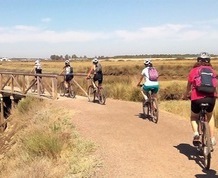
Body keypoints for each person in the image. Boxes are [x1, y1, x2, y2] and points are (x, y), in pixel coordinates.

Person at [183, 52, 216, 147]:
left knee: (193, 117)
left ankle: (196, 133)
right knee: (210, 116)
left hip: (197, 98)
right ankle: (212, 138)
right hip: (211, 98)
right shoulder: (213, 71)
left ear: (198, 60)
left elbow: (189, 86)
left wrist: (186, 95)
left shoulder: (194, 71)